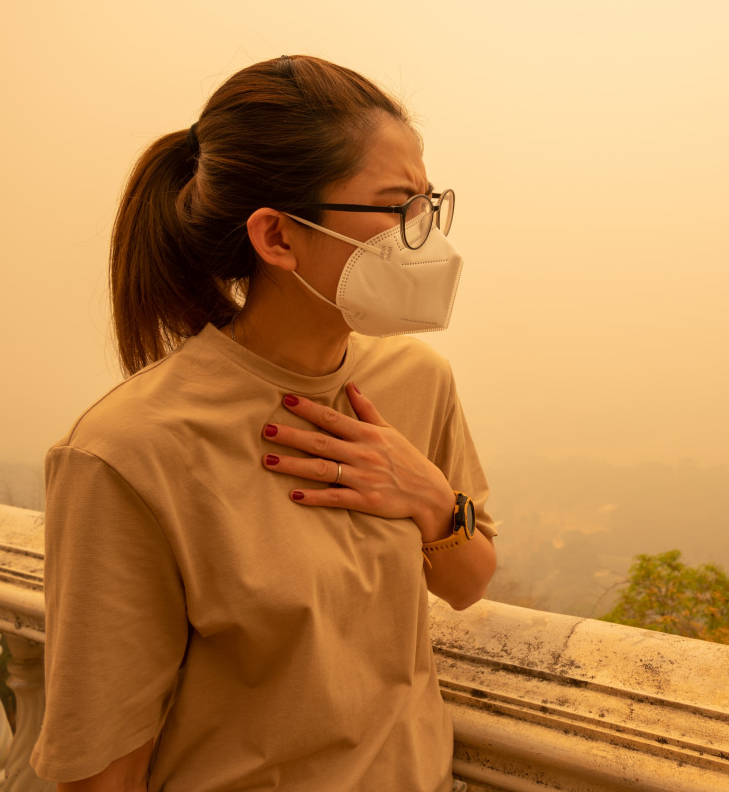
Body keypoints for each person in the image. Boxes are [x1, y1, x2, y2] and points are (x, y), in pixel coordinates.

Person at [29, 55, 497, 791]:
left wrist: (429, 498)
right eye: (396, 206)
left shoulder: (416, 381)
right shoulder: (129, 452)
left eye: (427, 203)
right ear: (278, 237)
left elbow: (470, 583)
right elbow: (101, 764)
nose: (423, 235)